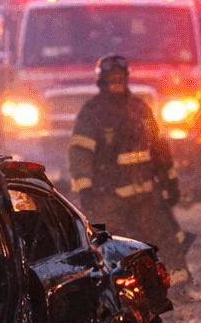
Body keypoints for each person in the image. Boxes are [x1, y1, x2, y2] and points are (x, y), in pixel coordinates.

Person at [68, 54, 191, 286]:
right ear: (102, 82)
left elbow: (158, 148)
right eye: (111, 79)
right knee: (118, 250)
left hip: (146, 196)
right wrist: (86, 190)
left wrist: (170, 180)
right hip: (110, 199)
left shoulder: (140, 108)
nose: (116, 83)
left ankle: (179, 292)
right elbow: (80, 152)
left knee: (167, 243)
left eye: (120, 78)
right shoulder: (92, 113)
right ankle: (127, 296)